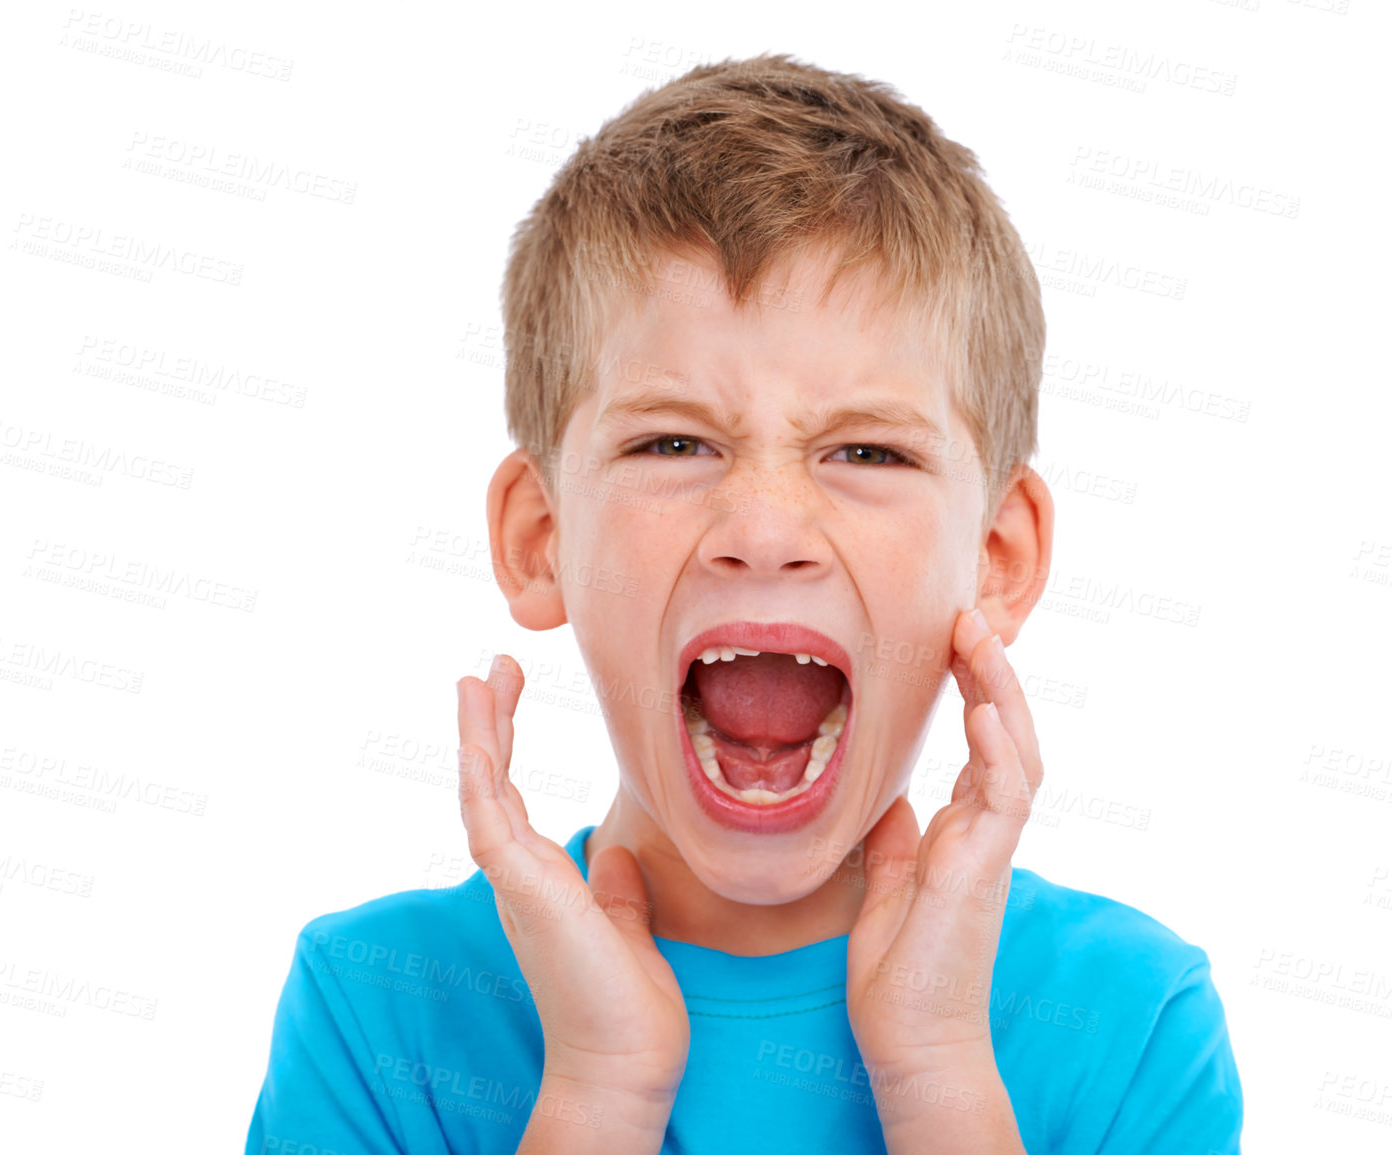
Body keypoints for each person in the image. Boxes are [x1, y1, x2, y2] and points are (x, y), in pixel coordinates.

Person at [246, 52, 1242, 1154]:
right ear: (541, 539)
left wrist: (939, 1076)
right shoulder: (379, 1012)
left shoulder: (1133, 1023)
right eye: (673, 442)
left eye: (867, 450)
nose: (764, 531)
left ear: (999, 558)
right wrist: (599, 1092)